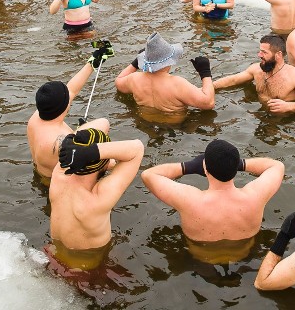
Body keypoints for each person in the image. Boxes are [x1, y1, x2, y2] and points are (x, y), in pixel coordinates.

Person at [141, 139, 284, 262]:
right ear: (235, 168)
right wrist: (239, 164)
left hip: (199, 259)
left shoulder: (189, 200)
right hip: (244, 257)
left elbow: (148, 175)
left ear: (205, 167)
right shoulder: (255, 196)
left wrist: (188, 167)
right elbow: (277, 166)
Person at [48, 129, 144, 259]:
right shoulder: (98, 197)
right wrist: (93, 153)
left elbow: (82, 145)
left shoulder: (59, 174)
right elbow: (137, 148)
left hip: (53, 256)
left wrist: (72, 140)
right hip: (86, 270)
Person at [27, 46, 116, 181]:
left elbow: (71, 90)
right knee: (112, 160)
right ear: (64, 107)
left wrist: (92, 62)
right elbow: (104, 124)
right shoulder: (61, 142)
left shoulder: (37, 117)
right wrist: (84, 132)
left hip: (41, 175)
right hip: (58, 186)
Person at [115, 32, 215, 122]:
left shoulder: (134, 79)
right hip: (175, 125)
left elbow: (118, 82)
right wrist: (205, 72)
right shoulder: (177, 84)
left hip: (146, 121)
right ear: (169, 61)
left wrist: (135, 64)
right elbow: (209, 103)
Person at [214, 35, 295, 113]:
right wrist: (210, 87)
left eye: (264, 52)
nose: (259, 55)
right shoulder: (257, 69)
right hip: (259, 110)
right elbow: (233, 80)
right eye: (260, 51)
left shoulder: (294, 76)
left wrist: (289, 106)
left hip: (284, 119)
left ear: (278, 55)